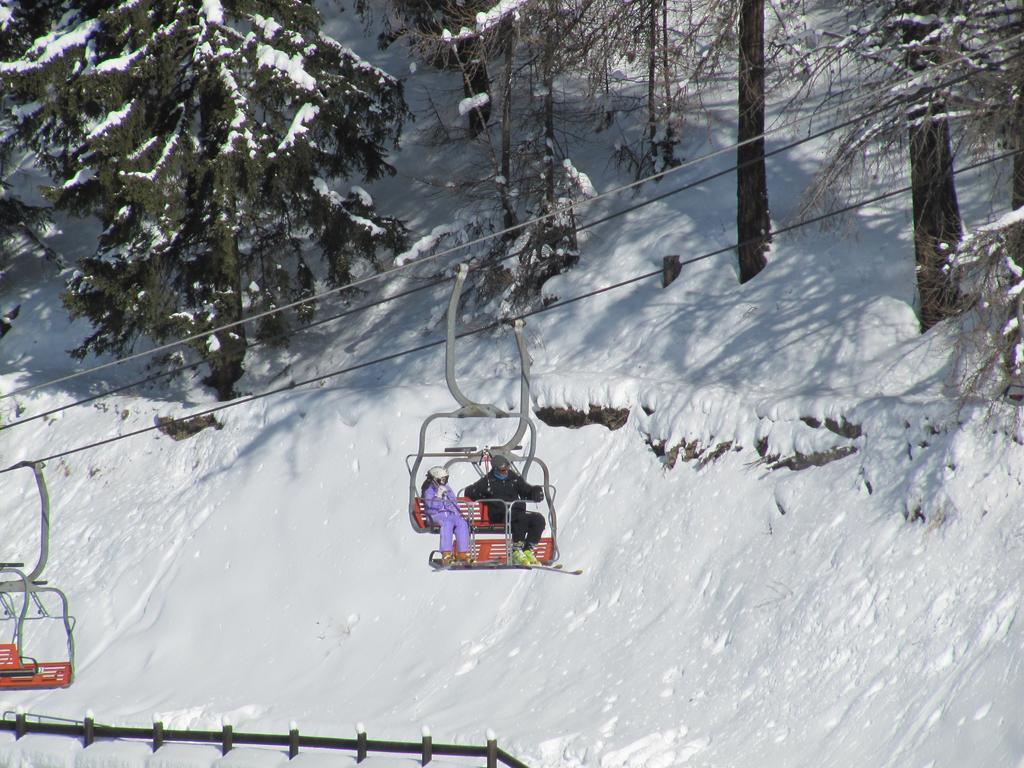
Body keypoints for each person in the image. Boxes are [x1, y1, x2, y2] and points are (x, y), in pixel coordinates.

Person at [463, 453, 546, 566]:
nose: (505, 472)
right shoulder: (488, 481)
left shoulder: (513, 479)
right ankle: (516, 550)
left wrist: (535, 491)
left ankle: (528, 549)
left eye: (507, 468)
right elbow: (469, 492)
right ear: (496, 469)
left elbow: (526, 490)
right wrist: (481, 494)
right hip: (499, 515)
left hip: (516, 512)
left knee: (538, 519)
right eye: (502, 470)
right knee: (519, 518)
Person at [422, 466, 473, 566]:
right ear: (435, 479)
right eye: (442, 479)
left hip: (449, 515)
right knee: (447, 523)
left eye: (445, 479)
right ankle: (446, 554)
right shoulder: (429, 490)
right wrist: (438, 496)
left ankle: (462, 553)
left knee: (462, 523)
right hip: (435, 515)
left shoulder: (448, 489)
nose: (444, 481)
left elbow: (453, 502)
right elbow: (431, 506)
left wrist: (458, 514)